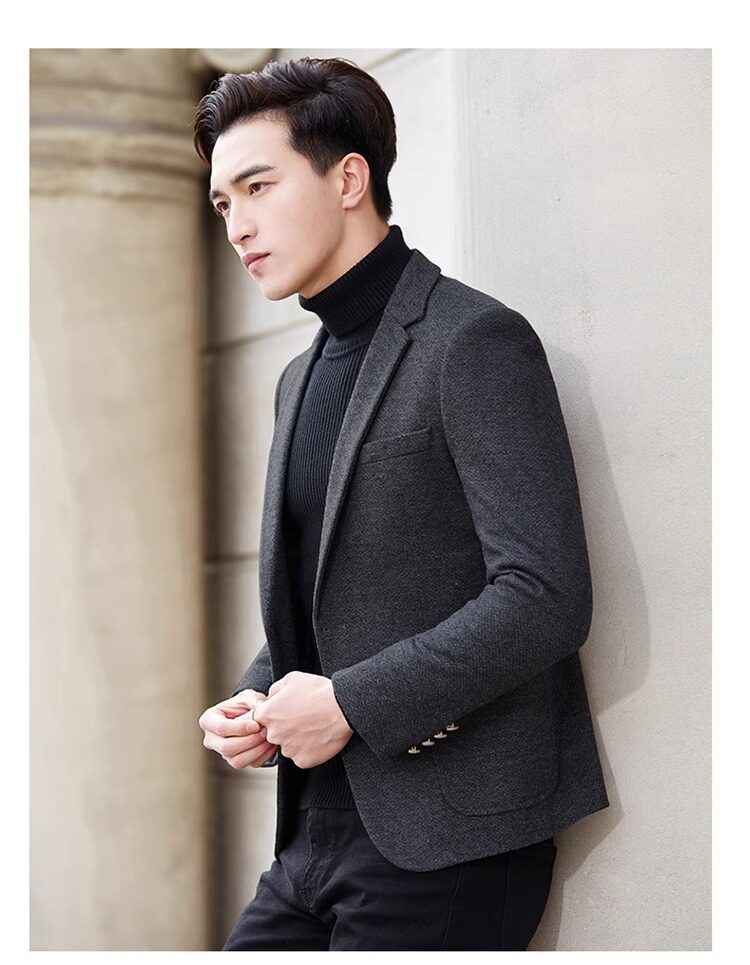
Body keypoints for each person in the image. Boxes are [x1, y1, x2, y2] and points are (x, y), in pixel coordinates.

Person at [193, 56, 610, 952]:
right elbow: (338, 592)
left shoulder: (474, 340)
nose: (237, 224)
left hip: (449, 842)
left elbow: (545, 593)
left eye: (258, 187)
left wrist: (349, 702)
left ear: (349, 179)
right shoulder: (298, 378)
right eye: (224, 202)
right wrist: (258, 693)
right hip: (310, 838)